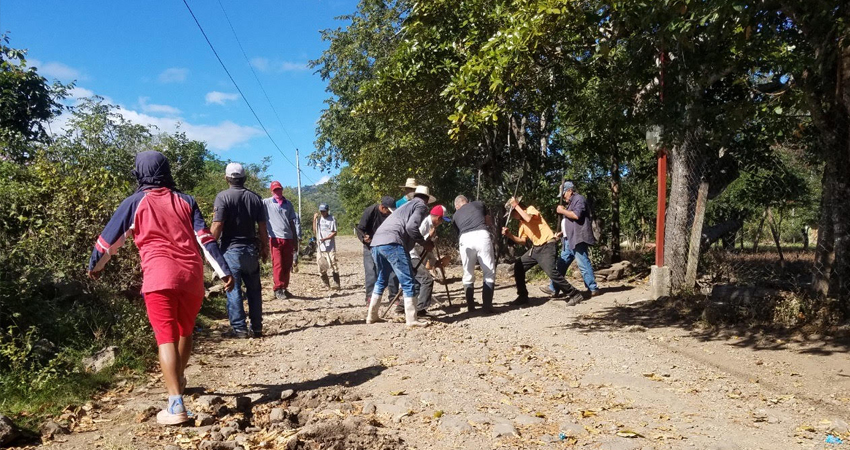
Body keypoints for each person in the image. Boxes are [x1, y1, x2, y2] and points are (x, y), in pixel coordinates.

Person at [87, 151, 234, 426]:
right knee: (185, 331)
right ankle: (178, 380)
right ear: (166, 171)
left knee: (166, 338)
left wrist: (95, 266)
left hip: (159, 278)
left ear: (140, 173)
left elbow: (109, 240)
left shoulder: (134, 202)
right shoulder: (186, 200)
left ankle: (176, 405)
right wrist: (223, 270)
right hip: (191, 278)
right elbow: (205, 239)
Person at [212, 163, 269, 338]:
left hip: (231, 251)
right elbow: (262, 227)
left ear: (227, 178)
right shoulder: (255, 198)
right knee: (254, 289)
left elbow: (218, 225)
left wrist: (208, 246)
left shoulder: (222, 197)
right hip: (251, 251)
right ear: (244, 179)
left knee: (234, 290)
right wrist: (265, 247)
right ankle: (257, 328)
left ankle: (239, 329)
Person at [366, 185, 436, 327]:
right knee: (408, 281)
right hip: (392, 242)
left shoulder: (405, 206)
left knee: (381, 278)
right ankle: (412, 320)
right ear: (427, 200)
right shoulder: (421, 206)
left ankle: (371, 316)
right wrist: (424, 243)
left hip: (376, 243)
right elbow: (411, 227)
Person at [501, 196, 584, 306]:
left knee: (551, 272)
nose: (512, 216)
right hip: (535, 249)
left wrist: (516, 205)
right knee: (518, 267)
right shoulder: (521, 224)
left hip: (547, 245)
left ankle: (574, 294)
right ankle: (522, 296)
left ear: (517, 208)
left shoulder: (530, 209)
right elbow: (522, 241)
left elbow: (529, 218)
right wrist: (509, 235)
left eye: (512, 213)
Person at [545, 181, 600, 298]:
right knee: (561, 264)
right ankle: (553, 288)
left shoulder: (579, 199)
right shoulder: (570, 203)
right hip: (568, 239)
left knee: (583, 262)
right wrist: (561, 233)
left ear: (569, 190)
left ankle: (593, 288)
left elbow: (576, 215)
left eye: (563, 194)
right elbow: (570, 222)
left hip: (578, 237)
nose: (563, 198)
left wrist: (562, 211)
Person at [452, 195, 496, 313]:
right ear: (467, 202)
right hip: (481, 234)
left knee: (468, 271)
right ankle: (487, 306)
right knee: (489, 271)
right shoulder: (479, 204)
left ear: (457, 206)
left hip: (465, 238)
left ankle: (470, 306)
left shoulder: (455, 215)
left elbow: (458, 232)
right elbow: (488, 221)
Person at [355, 196, 399, 303]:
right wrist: (364, 238)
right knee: (371, 270)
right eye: (388, 210)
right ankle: (370, 297)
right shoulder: (370, 211)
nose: (390, 213)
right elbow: (360, 229)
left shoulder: (392, 214)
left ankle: (394, 296)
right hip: (370, 245)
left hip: (387, 243)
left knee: (392, 269)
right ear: (383, 207)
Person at [410, 205, 451, 315]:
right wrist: (429, 236)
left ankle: (402, 307)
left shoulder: (432, 225)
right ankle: (420, 310)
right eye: (442, 220)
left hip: (419, 257)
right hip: (412, 255)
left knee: (416, 284)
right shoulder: (424, 224)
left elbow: (428, 249)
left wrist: (434, 262)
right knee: (427, 280)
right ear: (438, 218)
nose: (441, 223)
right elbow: (415, 242)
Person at [263, 181, 301, 299]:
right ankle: (278, 288)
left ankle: (284, 287)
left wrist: (295, 239)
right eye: (275, 190)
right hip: (275, 238)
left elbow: (292, 222)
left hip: (288, 238)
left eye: (279, 189)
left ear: (282, 189)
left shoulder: (288, 204)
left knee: (287, 265)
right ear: (271, 191)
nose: (277, 192)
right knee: (278, 264)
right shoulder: (266, 203)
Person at [314, 203, 340, 290]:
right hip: (321, 247)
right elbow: (315, 231)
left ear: (327, 210)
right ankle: (326, 284)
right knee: (321, 265)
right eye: (321, 211)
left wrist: (325, 238)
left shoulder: (332, 219)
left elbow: (334, 232)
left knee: (333, 264)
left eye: (324, 211)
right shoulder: (318, 219)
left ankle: (336, 283)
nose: (322, 213)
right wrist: (314, 220)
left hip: (330, 246)